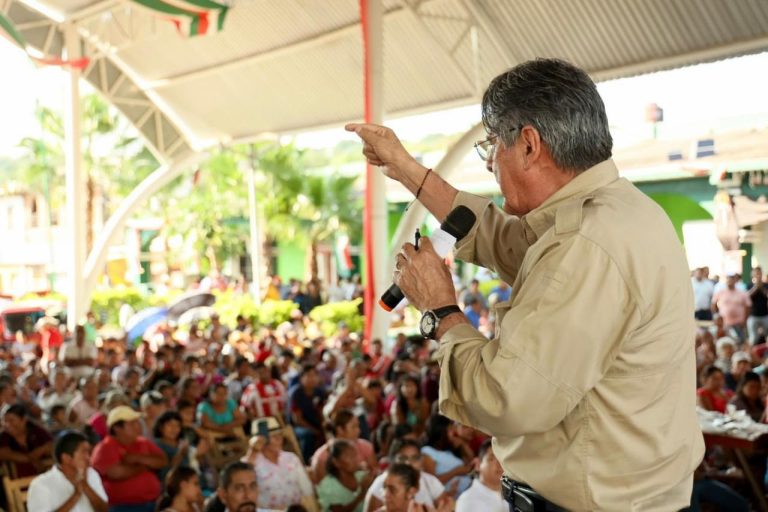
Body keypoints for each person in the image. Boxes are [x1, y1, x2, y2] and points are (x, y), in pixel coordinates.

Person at [347, 58, 703, 510]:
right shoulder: (618, 211)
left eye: (493, 145)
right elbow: (506, 241)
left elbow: (504, 398)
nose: (490, 163)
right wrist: (404, 168)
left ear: (530, 145)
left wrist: (439, 308)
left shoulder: (586, 243)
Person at [91, 405, 168, 511]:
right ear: (117, 428)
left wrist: (138, 458)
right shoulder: (106, 447)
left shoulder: (142, 442)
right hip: (123, 506)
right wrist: (144, 467)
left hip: (153, 502)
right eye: (132, 423)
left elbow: (162, 461)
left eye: (137, 422)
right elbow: (116, 473)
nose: (138, 426)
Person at [241, 416, 314, 510]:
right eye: (273, 436)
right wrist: (253, 451)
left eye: (280, 434)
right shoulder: (252, 463)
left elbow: (307, 489)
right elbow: (242, 473)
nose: (279, 439)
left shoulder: (291, 458)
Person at [27, 430, 108, 512]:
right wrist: (76, 495)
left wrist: (86, 487)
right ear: (66, 458)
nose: (89, 458)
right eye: (84, 453)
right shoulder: (41, 484)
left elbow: (104, 510)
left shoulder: (92, 474)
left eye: (89, 452)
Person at [364, 439, 445, 512]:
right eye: (403, 458)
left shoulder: (431, 482)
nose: (409, 463)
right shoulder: (381, 483)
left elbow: (445, 506)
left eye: (415, 458)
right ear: (393, 461)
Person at [311, 409, 378, 483]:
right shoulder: (321, 458)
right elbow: (324, 485)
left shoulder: (365, 446)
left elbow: (375, 472)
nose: (359, 430)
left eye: (358, 426)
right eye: (354, 427)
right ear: (340, 430)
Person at [420, 415, 474, 496]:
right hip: (450, 497)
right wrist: (455, 472)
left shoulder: (448, 449)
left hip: (468, 491)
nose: (453, 432)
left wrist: (463, 444)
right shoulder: (427, 452)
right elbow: (431, 483)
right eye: (450, 430)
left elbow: (471, 462)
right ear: (441, 432)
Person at [316, 440, 375, 512]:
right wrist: (362, 493)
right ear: (336, 462)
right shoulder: (328, 485)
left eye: (355, 455)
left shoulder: (362, 476)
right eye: (349, 456)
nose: (356, 460)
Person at [0, 403, 53, 477]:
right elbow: (4, 453)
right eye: (5, 421)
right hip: (14, 481)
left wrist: (41, 450)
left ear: (24, 419)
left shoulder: (37, 431)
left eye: (11, 420)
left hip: (42, 477)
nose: (7, 424)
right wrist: (32, 459)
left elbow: (51, 446)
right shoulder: (4, 436)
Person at [287, 364, 326, 463]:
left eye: (314, 375)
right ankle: (307, 462)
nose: (312, 378)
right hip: (298, 426)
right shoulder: (296, 394)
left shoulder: (320, 392)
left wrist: (324, 425)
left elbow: (322, 412)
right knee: (308, 435)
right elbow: (297, 420)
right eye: (308, 375)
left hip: (316, 424)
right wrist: (315, 430)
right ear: (301, 378)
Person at [455, 440, 505, 512]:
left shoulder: (511, 494)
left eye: (501, 459)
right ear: (478, 464)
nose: (499, 464)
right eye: (491, 459)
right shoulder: (468, 500)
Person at [153, 411, 192, 485]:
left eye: (177, 426)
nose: (174, 429)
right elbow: (167, 473)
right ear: (161, 427)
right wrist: (180, 452)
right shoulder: (157, 445)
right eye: (169, 425)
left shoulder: (182, 444)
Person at [712, 274, 751, 344]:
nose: (730, 282)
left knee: (740, 342)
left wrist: (745, 320)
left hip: (739, 323)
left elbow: (748, 306)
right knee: (726, 342)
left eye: (731, 280)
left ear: (735, 281)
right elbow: (713, 304)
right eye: (728, 280)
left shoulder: (741, 292)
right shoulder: (721, 292)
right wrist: (717, 316)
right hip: (725, 323)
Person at [748, 267, 768, 345]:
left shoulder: (766, 285)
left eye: (759, 273)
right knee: (753, 338)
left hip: (765, 315)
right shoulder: (750, 285)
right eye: (756, 273)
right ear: (753, 275)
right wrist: (756, 287)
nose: (758, 275)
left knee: (767, 336)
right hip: (753, 315)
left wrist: (761, 288)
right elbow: (747, 296)